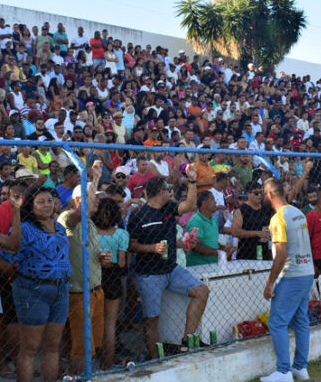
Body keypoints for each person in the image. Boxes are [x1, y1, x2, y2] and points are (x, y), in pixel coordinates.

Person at [127, 168, 209, 357]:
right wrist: (152, 248)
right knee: (151, 320)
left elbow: (189, 205)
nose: (171, 192)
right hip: (149, 274)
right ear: (161, 192)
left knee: (201, 291)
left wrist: (192, 181)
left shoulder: (169, 208)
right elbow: (132, 245)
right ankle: (156, 360)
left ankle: (187, 340)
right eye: (168, 190)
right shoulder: (139, 216)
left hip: (171, 269)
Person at [0, 186, 71, 382]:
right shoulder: (24, 229)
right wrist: (24, 279)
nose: (46, 205)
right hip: (33, 290)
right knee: (29, 348)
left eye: (49, 201)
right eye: (40, 202)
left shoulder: (59, 227)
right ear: (32, 206)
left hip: (60, 290)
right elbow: (4, 261)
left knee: (53, 345)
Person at [260, 178, 315, 382]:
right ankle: (300, 367)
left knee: (277, 321)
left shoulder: (278, 218)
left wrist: (270, 282)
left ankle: (283, 371)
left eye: (264, 193)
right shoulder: (297, 212)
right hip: (306, 271)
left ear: (270, 194)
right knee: (300, 320)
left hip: (292, 273)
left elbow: (281, 253)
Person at [57, 161, 105, 376]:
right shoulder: (68, 218)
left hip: (96, 291)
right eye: (91, 197)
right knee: (81, 346)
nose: (96, 201)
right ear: (78, 200)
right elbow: (81, 212)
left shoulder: (92, 224)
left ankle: (81, 375)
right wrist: (94, 179)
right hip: (78, 293)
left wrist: (104, 258)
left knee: (91, 344)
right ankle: (77, 377)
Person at [91, 197, 129, 369]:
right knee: (110, 324)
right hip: (113, 278)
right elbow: (122, 263)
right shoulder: (121, 234)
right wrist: (111, 262)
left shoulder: (90, 232)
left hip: (94, 278)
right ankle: (107, 364)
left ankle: (87, 364)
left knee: (89, 322)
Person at [186, 190, 233, 266]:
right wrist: (219, 252)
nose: (215, 202)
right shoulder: (196, 221)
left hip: (213, 265)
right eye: (212, 200)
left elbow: (212, 242)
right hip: (198, 266)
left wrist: (224, 248)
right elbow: (196, 247)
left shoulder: (214, 220)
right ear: (204, 204)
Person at [229, 182, 273, 260]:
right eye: (256, 193)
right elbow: (235, 232)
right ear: (248, 194)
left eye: (261, 193)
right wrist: (256, 233)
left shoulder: (266, 209)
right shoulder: (241, 210)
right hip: (247, 251)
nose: (259, 195)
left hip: (264, 250)